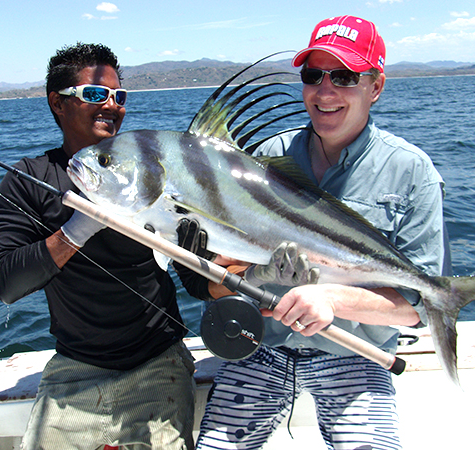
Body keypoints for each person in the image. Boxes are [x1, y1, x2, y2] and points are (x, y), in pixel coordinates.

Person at [176, 16, 451, 450]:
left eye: (344, 77)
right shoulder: (265, 158)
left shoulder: (411, 172)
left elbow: (413, 307)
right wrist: (200, 259)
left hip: (355, 355)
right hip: (257, 346)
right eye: (312, 75)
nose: (325, 91)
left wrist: (330, 300)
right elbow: (226, 271)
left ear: (375, 87)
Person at [0, 43, 195, 450]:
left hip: (159, 360)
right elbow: (7, 283)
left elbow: (200, 281)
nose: (112, 106)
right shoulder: (28, 178)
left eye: (119, 97)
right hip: (74, 367)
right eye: (96, 94)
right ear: (58, 103)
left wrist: (249, 270)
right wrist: (77, 230)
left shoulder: (148, 169)